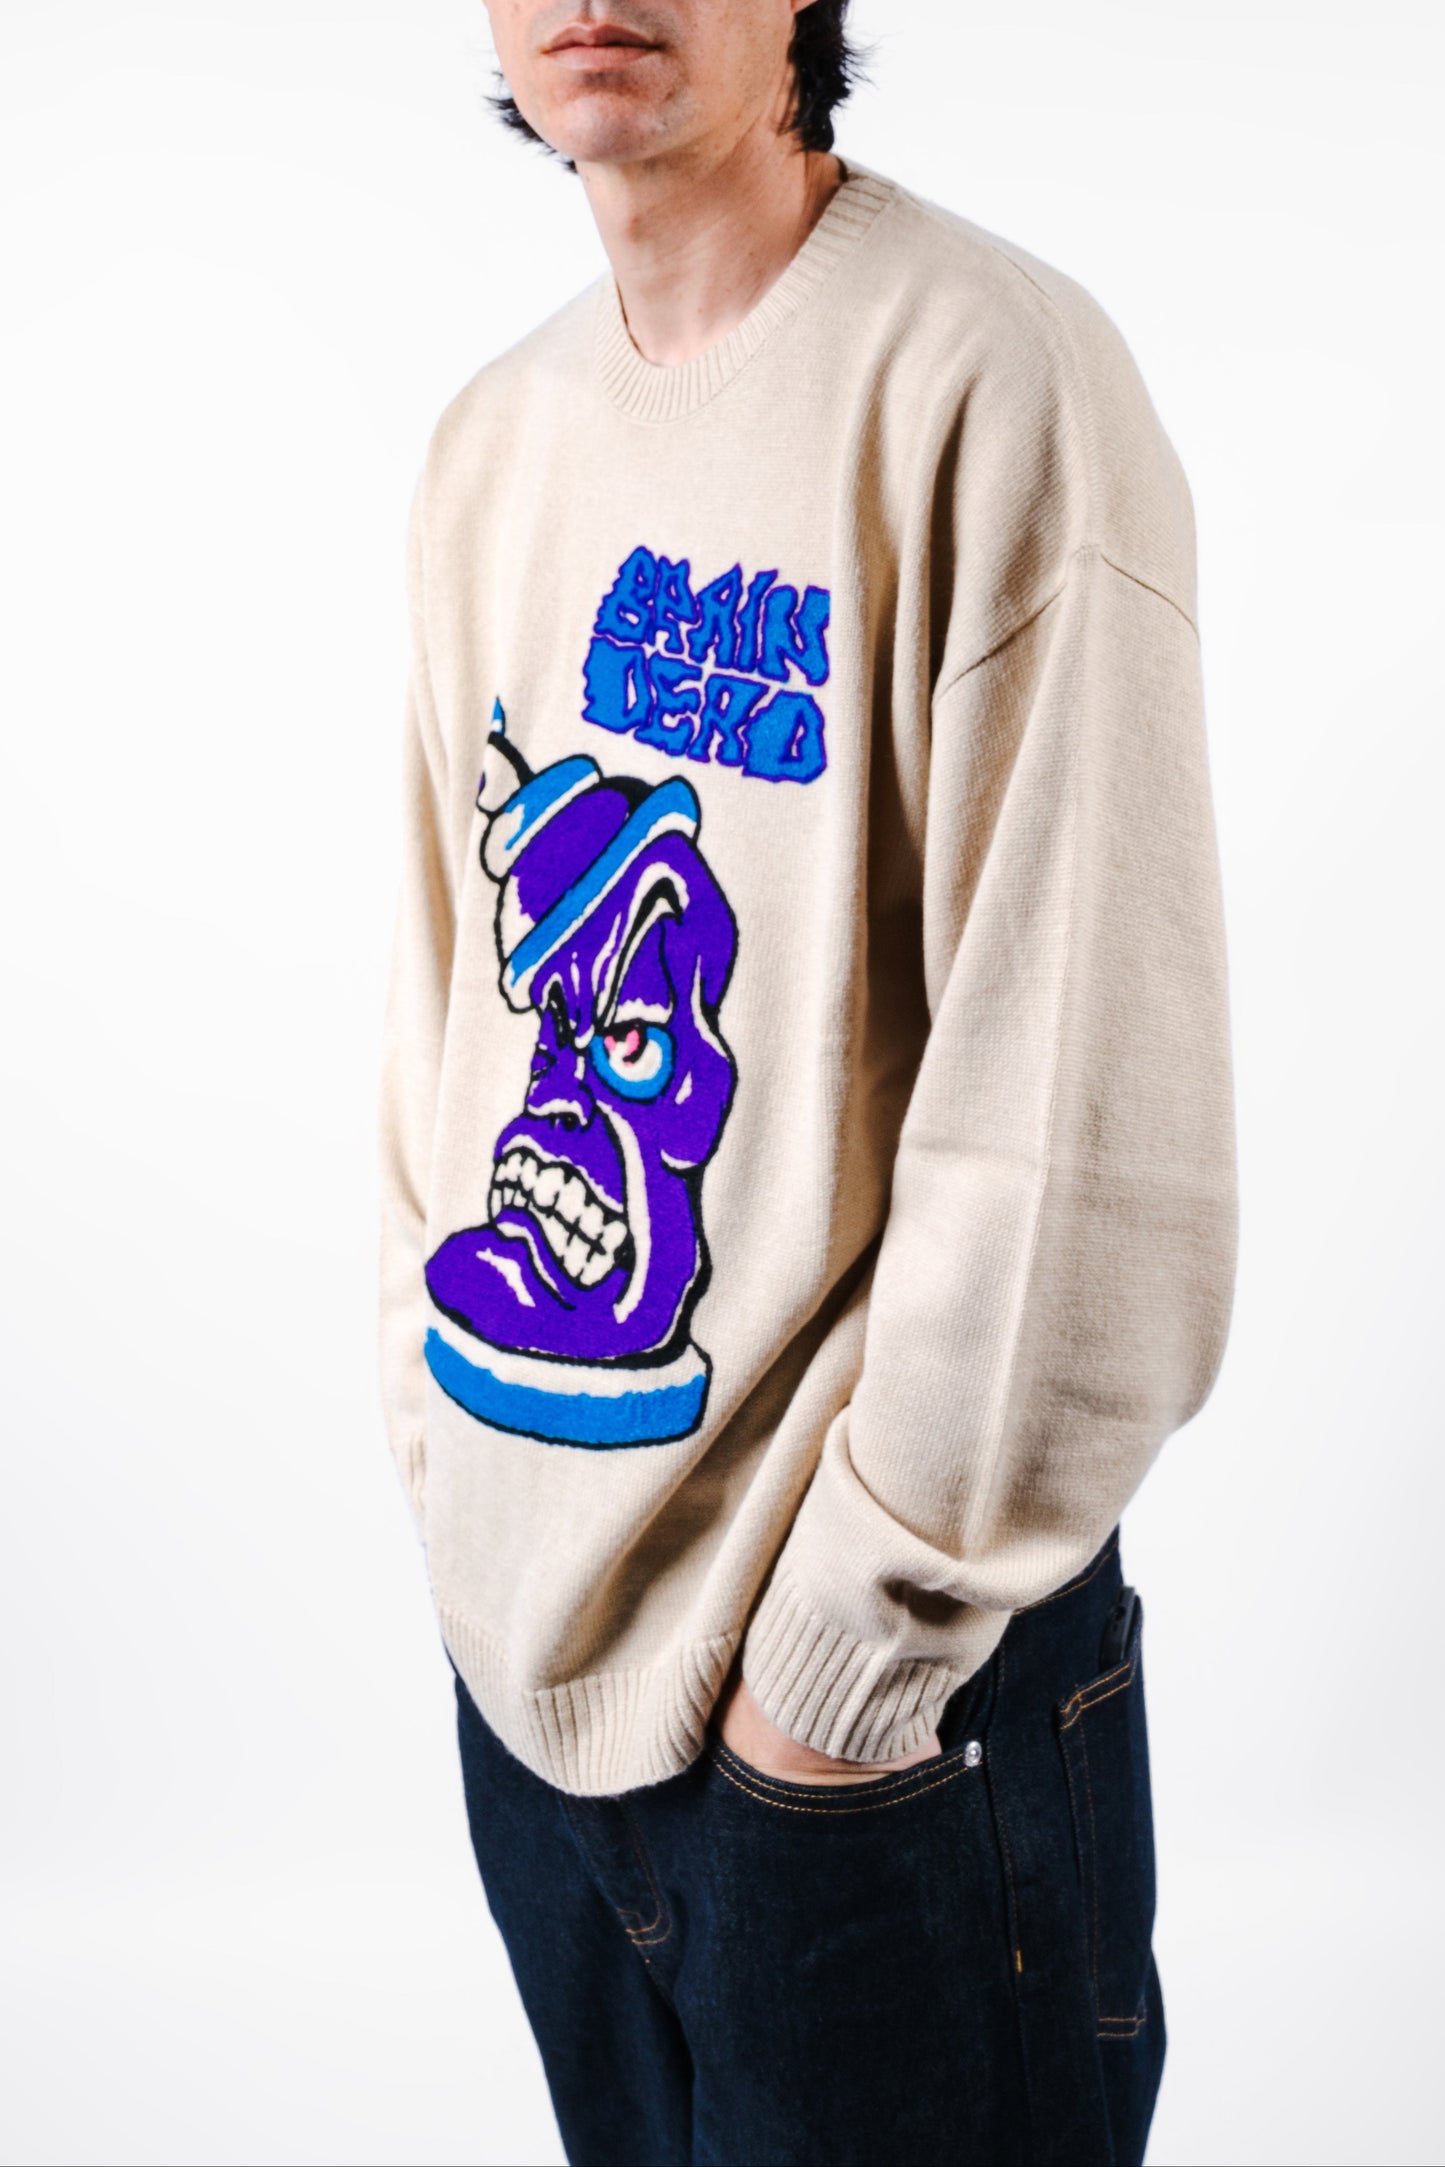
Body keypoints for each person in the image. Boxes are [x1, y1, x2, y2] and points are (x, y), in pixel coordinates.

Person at [377, 3, 1236, 2160]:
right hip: (537, 1708)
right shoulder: (491, 448)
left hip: (872, 1759)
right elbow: (441, 1033)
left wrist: (839, 1682)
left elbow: (1086, 1116)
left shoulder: (988, 380)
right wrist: (456, 1488)